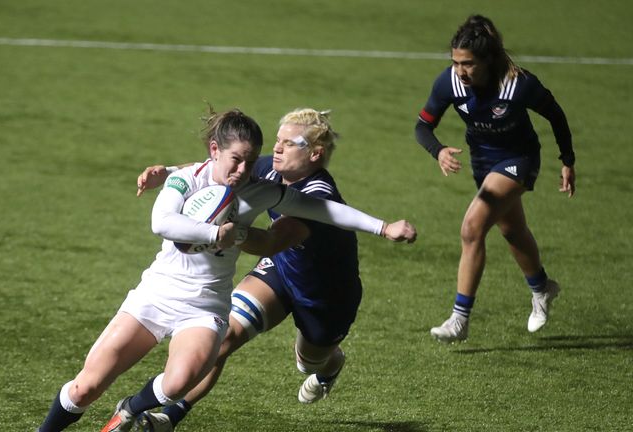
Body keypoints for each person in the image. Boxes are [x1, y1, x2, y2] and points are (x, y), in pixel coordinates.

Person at [36, 108, 417, 432]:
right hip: (160, 293)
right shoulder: (194, 179)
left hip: (264, 300)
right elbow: (162, 222)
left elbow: (315, 216)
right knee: (85, 387)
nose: (247, 169)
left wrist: (383, 227)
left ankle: (132, 409)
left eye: (252, 161)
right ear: (216, 151)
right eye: (238, 159)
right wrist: (205, 217)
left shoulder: (267, 187)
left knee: (187, 381)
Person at [414, 15, 576, 343]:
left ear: (487, 60)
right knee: (513, 231)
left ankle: (459, 319)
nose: (460, 70)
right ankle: (542, 289)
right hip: (483, 161)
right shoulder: (450, 83)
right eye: (456, 62)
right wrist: (439, 150)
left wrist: (567, 161)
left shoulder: (519, 85)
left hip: (520, 159)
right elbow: (422, 126)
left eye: (468, 64)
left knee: (472, 227)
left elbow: (556, 115)